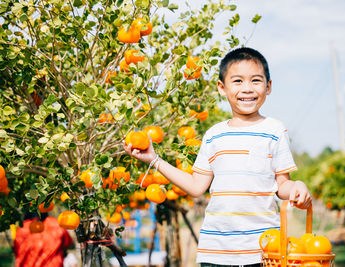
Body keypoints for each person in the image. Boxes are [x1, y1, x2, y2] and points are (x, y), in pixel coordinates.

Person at [123, 47, 312, 266]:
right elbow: (196, 186)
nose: (247, 89)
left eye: (256, 81)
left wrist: (297, 186)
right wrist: (154, 160)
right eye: (238, 81)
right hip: (216, 252)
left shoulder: (275, 130)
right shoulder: (214, 135)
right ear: (222, 88)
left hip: (265, 250)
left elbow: (282, 186)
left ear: (268, 87)